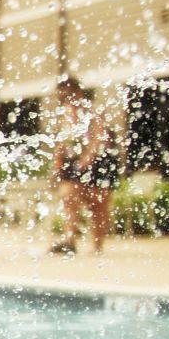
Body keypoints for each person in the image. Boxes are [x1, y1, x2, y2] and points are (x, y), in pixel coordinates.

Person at [49, 76, 117, 254]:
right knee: (69, 197)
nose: (64, 98)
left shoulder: (91, 111)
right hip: (74, 161)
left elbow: (99, 137)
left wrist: (87, 158)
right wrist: (57, 164)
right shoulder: (64, 114)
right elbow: (61, 142)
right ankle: (69, 239)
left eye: (67, 94)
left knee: (98, 206)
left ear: (77, 92)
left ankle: (97, 247)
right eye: (62, 95)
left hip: (99, 161)